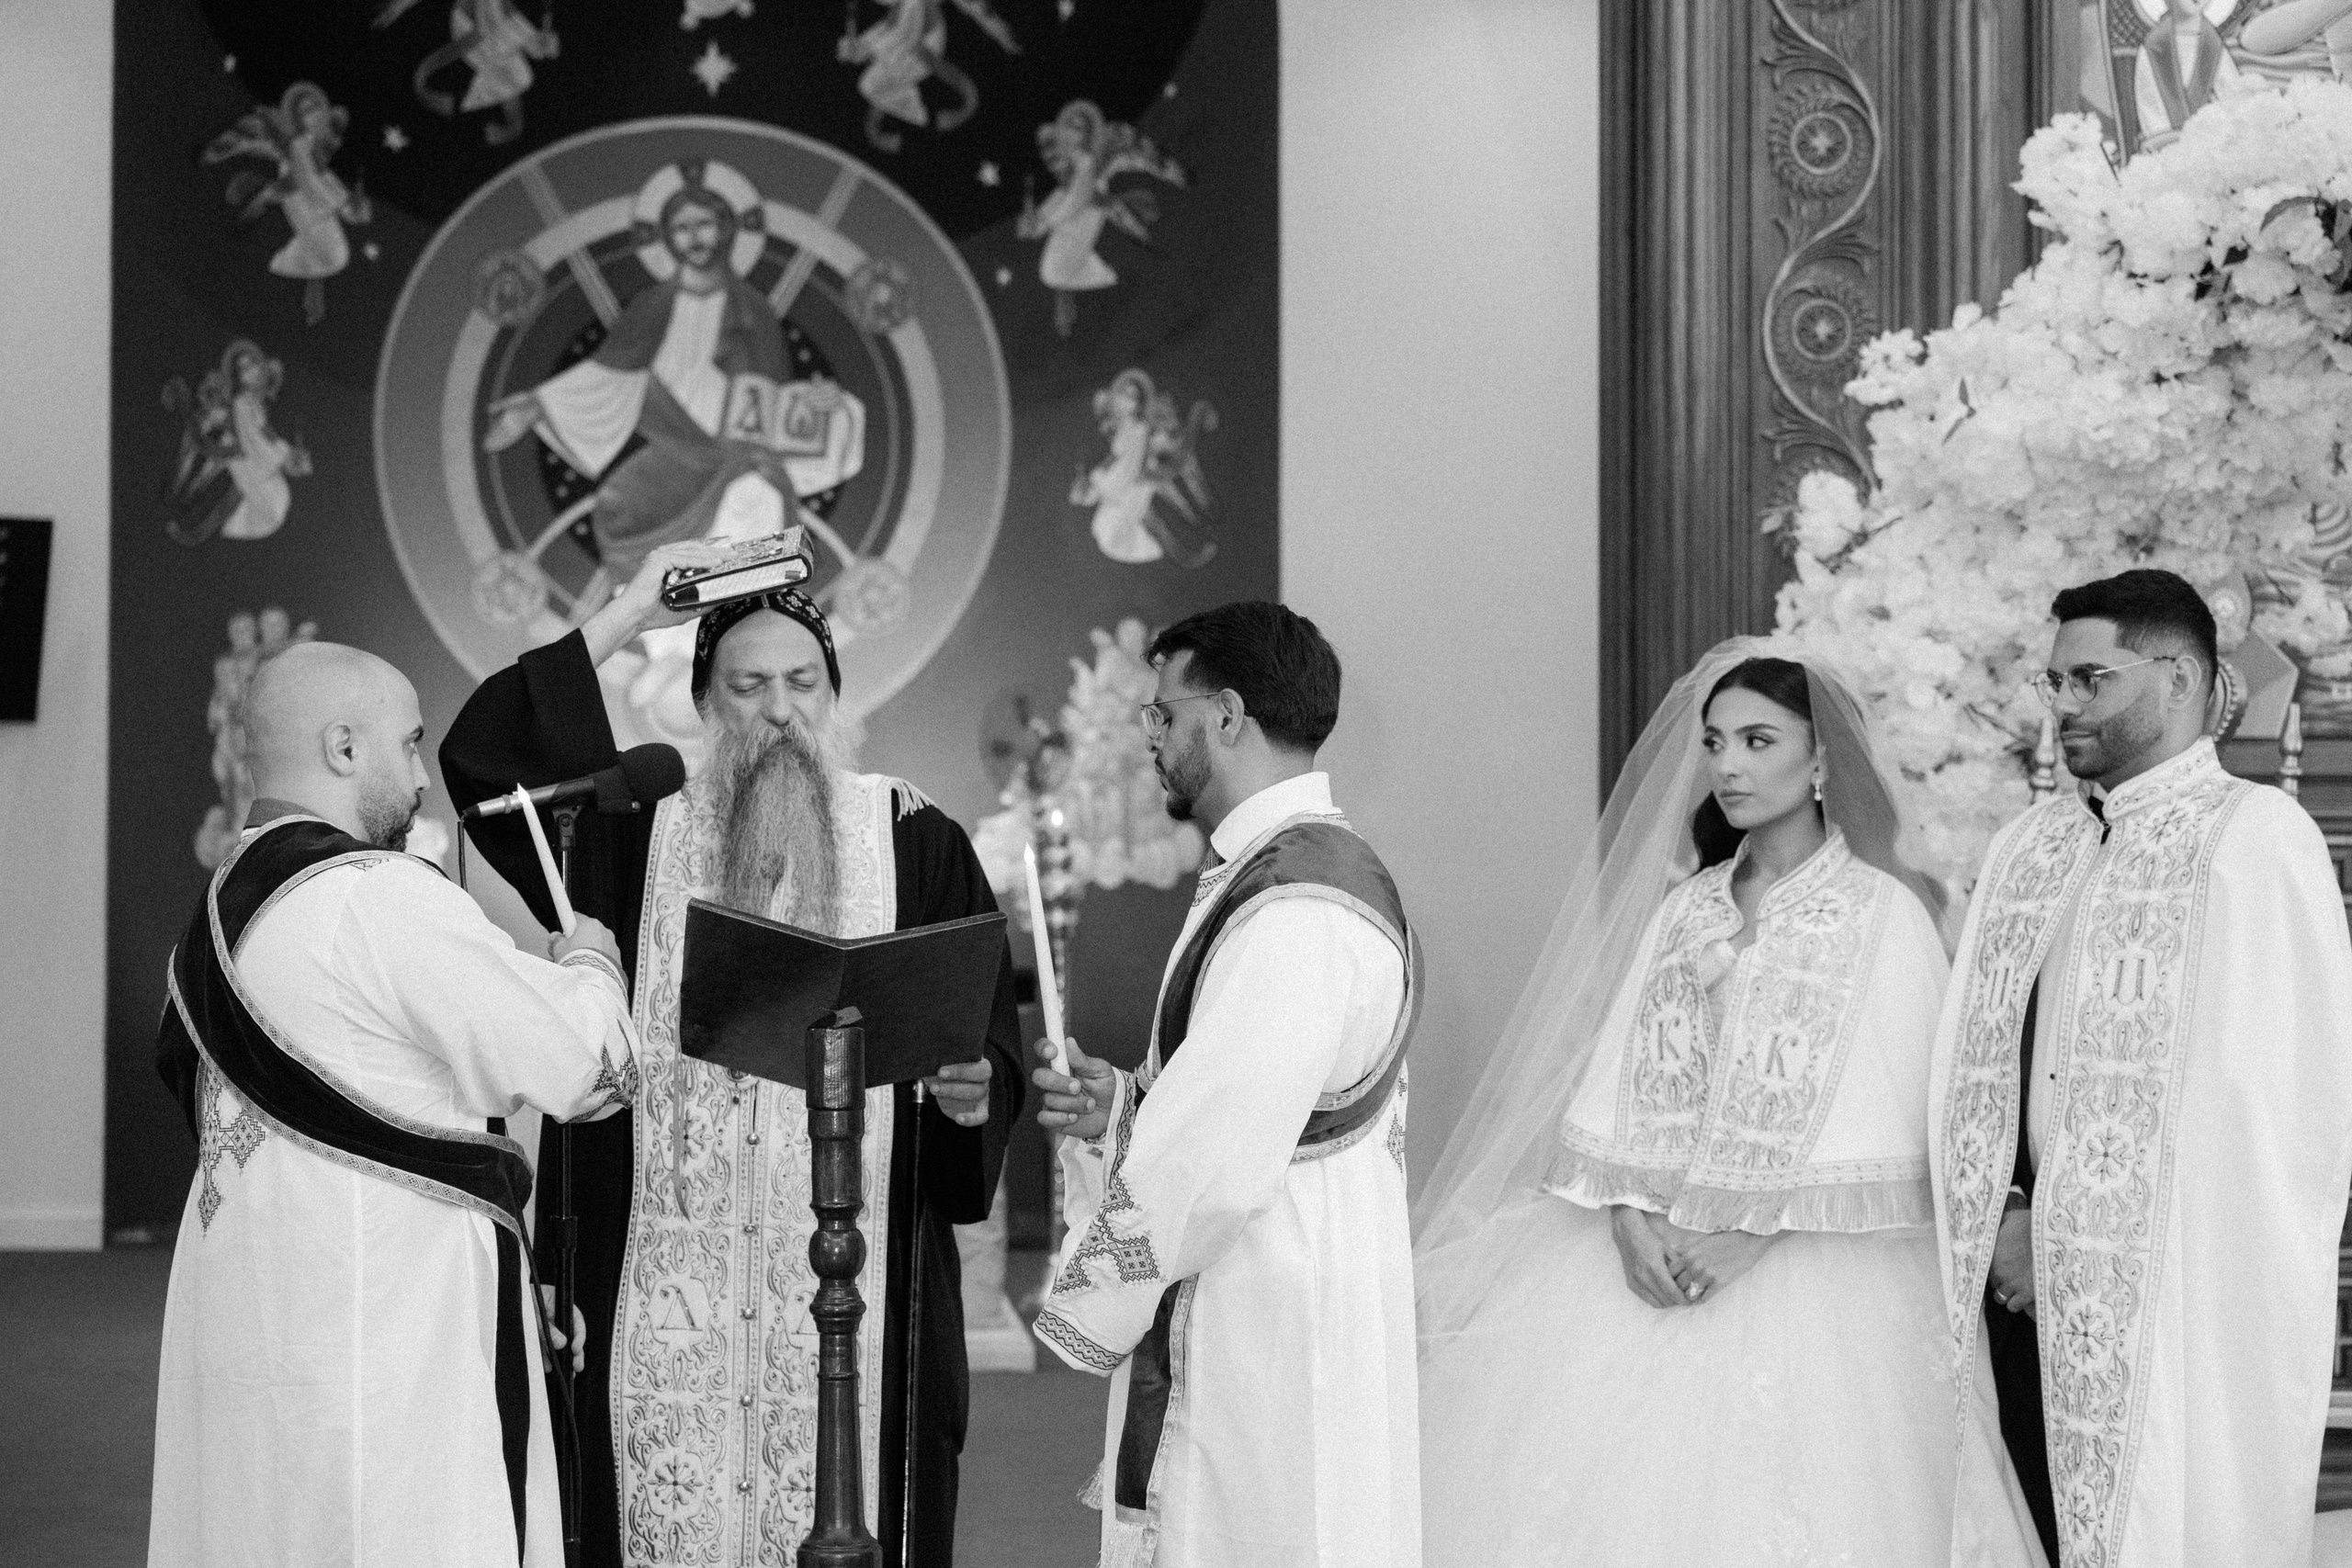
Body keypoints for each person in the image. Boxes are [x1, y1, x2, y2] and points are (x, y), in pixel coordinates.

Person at [440, 542, 1023, 1568]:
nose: (778, 710)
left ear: (836, 695)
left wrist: (972, 1096)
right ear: (702, 703)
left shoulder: (917, 841)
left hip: (853, 1288)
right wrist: (626, 612)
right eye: (746, 686)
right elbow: (485, 760)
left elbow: (976, 1043)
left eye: (802, 682)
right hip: (654, 1291)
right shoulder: (626, 834)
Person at [1413, 643, 2046, 1568]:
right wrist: (1626, 1222)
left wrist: (1750, 1235)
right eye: (1716, 744)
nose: (1731, 766)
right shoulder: (1684, 912)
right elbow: (1621, 1084)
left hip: (1819, 1282)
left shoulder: (1883, 915)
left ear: (1822, 760)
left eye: (1758, 740)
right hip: (1649, 1258)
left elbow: (1908, 1125)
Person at [149, 641, 641, 1568]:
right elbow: (583, 1068)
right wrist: (589, 963)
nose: (423, 776)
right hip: (383, 1317)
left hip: (257, 1307)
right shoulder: (377, 897)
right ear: (343, 748)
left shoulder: (210, 920)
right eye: (409, 745)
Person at [1930, 569, 2352, 1567]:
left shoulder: (2255, 840)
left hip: (2168, 1298)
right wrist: (2013, 1217)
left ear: (2176, 680)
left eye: (2090, 679)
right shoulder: (2028, 845)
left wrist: (2074, 1234)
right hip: (2008, 1276)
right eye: (2054, 684)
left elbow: (2269, 1106)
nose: (2064, 706)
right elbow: (1978, 1064)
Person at [1030, 601, 1420, 1568]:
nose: (1152, 738)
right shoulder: (1286, 870)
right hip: (1284, 1265)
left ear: (1228, 714)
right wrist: (1124, 1107)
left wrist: (1090, 1301)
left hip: (1268, 1301)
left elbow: (1214, 1148)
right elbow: (1253, 1100)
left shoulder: (1298, 901)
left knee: (1263, 1529)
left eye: (1164, 714)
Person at [481, 165, 862, 578]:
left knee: (756, 502)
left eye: (705, 224)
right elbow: (610, 374)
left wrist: (826, 405)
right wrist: (538, 406)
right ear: (666, 237)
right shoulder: (652, 306)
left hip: (741, 457)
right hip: (674, 452)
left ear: (727, 231)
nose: (695, 236)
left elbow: (776, 404)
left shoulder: (752, 310)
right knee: (618, 507)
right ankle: (667, 629)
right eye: (681, 227)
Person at [2132, 0, 2243, 153]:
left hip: (2214, 149)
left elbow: (2235, 102)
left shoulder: (2214, 47)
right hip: (2167, 152)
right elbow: (2150, 113)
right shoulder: (2152, 49)